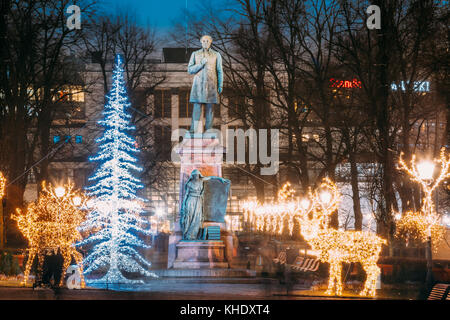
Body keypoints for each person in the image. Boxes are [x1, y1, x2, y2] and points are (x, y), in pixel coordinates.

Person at [187, 35, 223, 134]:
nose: (205, 42)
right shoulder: (195, 54)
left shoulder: (216, 55)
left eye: (207, 41)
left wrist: (220, 85)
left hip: (211, 85)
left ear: (211, 42)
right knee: (197, 108)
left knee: (210, 109)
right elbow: (190, 70)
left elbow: (220, 71)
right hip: (198, 85)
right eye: (204, 41)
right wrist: (200, 64)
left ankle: (209, 130)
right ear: (201, 42)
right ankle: (193, 129)